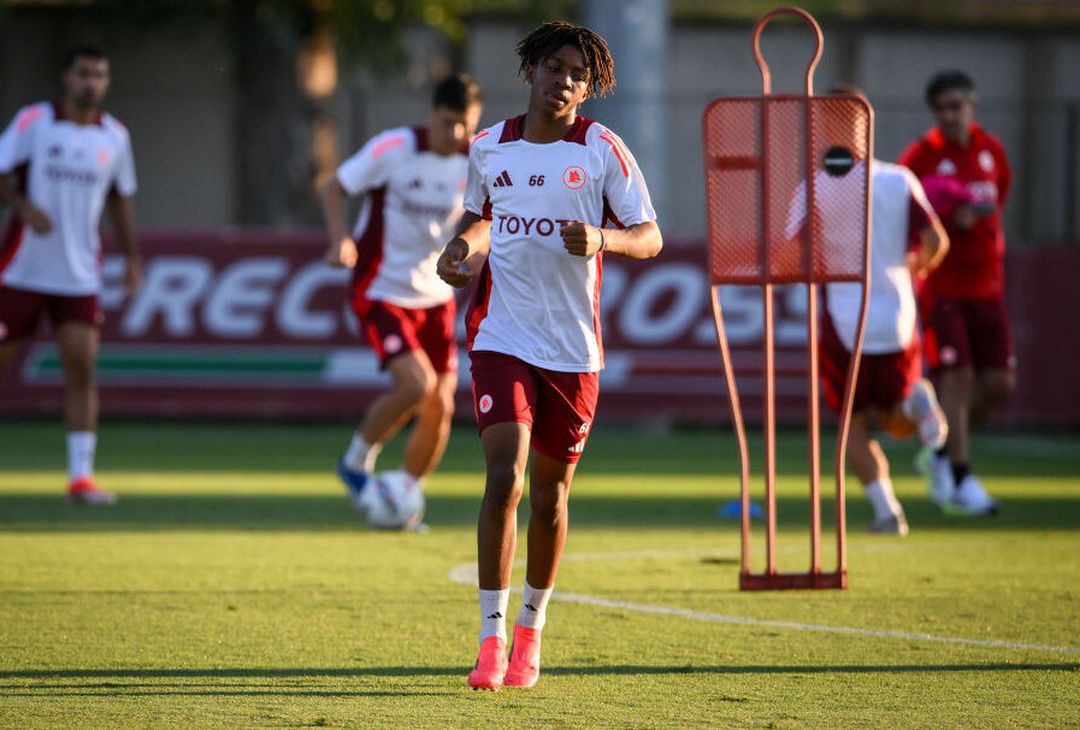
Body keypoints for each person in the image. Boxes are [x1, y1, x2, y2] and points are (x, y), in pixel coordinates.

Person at [436, 21, 662, 691]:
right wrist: (460, 250)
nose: (563, 80)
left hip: (572, 349)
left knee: (550, 496)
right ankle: (490, 639)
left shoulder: (602, 149)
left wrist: (603, 239)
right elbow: (481, 216)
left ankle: (531, 631)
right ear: (530, 69)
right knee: (503, 477)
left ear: (588, 89)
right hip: (501, 335)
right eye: (554, 67)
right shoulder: (488, 146)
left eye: (577, 75)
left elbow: (649, 235)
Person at [319, 74, 483, 516]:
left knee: (440, 406)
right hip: (381, 289)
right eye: (447, 122)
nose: (455, 133)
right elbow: (333, 187)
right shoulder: (394, 148)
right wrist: (340, 239)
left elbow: (485, 222)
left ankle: (403, 496)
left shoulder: (477, 161)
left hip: (435, 296)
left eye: (465, 125)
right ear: (431, 113)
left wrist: (474, 257)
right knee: (416, 384)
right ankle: (355, 464)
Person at [801, 86, 952, 535]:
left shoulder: (817, 185)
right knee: (896, 420)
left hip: (845, 322)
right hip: (897, 315)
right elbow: (937, 241)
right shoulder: (899, 179)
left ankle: (887, 513)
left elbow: (791, 253)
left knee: (851, 429)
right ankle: (915, 401)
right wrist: (915, 268)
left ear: (826, 126)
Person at [0, 45, 140, 505]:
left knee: (81, 368)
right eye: (84, 74)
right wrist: (22, 206)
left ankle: (81, 478)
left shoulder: (114, 136)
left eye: (99, 75)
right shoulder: (35, 121)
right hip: (21, 270)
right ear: (67, 77)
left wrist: (132, 258)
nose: (91, 83)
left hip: (79, 274)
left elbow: (120, 199)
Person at [899, 71, 1013, 516]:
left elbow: (998, 200)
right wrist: (948, 221)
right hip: (942, 288)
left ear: (972, 105)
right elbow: (909, 216)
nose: (949, 115)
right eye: (941, 108)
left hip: (988, 285)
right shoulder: (921, 157)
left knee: (1000, 383)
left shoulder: (991, 151)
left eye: (956, 106)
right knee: (957, 379)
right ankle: (962, 479)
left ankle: (943, 453)